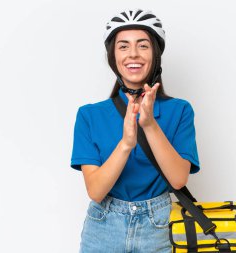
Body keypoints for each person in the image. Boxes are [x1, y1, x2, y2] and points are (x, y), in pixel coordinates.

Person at [70, 9, 201, 253]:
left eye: (143, 45)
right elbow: (96, 191)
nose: (133, 54)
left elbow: (178, 179)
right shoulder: (89, 115)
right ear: (113, 56)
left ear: (155, 54)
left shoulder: (180, 110)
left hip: (159, 227)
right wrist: (126, 144)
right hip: (103, 228)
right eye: (123, 46)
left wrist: (149, 125)